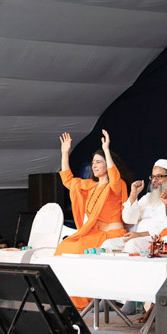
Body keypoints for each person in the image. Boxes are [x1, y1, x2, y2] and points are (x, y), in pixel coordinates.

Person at [55, 129, 129, 309]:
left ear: (108, 165)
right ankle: (68, 296)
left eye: (99, 162)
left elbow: (115, 177)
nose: (94, 165)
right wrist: (65, 153)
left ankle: (82, 299)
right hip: (94, 234)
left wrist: (106, 150)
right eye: (93, 162)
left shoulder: (116, 185)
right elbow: (68, 181)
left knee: (76, 246)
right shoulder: (90, 186)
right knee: (64, 246)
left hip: (111, 235)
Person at [102, 159, 167, 253]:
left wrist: (140, 235)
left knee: (132, 245)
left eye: (159, 177)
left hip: (158, 239)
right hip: (136, 237)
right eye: (153, 177)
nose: (154, 180)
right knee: (107, 244)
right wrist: (133, 195)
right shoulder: (148, 197)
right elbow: (128, 219)